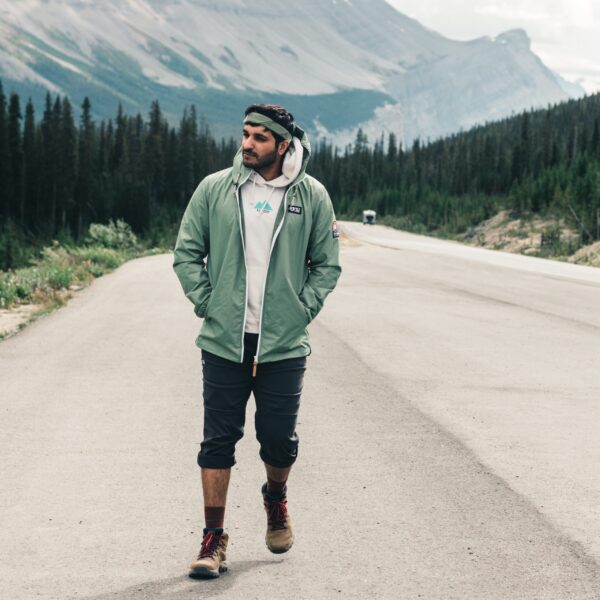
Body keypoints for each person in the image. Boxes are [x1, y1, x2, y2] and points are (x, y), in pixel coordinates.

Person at [173, 103, 341, 578]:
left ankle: (275, 497)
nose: (247, 143)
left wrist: (301, 310)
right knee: (217, 442)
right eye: (245, 134)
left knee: (278, 442)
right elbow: (187, 252)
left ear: (283, 145)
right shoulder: (216, 189)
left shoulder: (311, 196)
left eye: (259, 138)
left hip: (282, 346)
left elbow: (326, 264)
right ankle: (212, 538)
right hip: (225, 341)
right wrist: (209, 304)